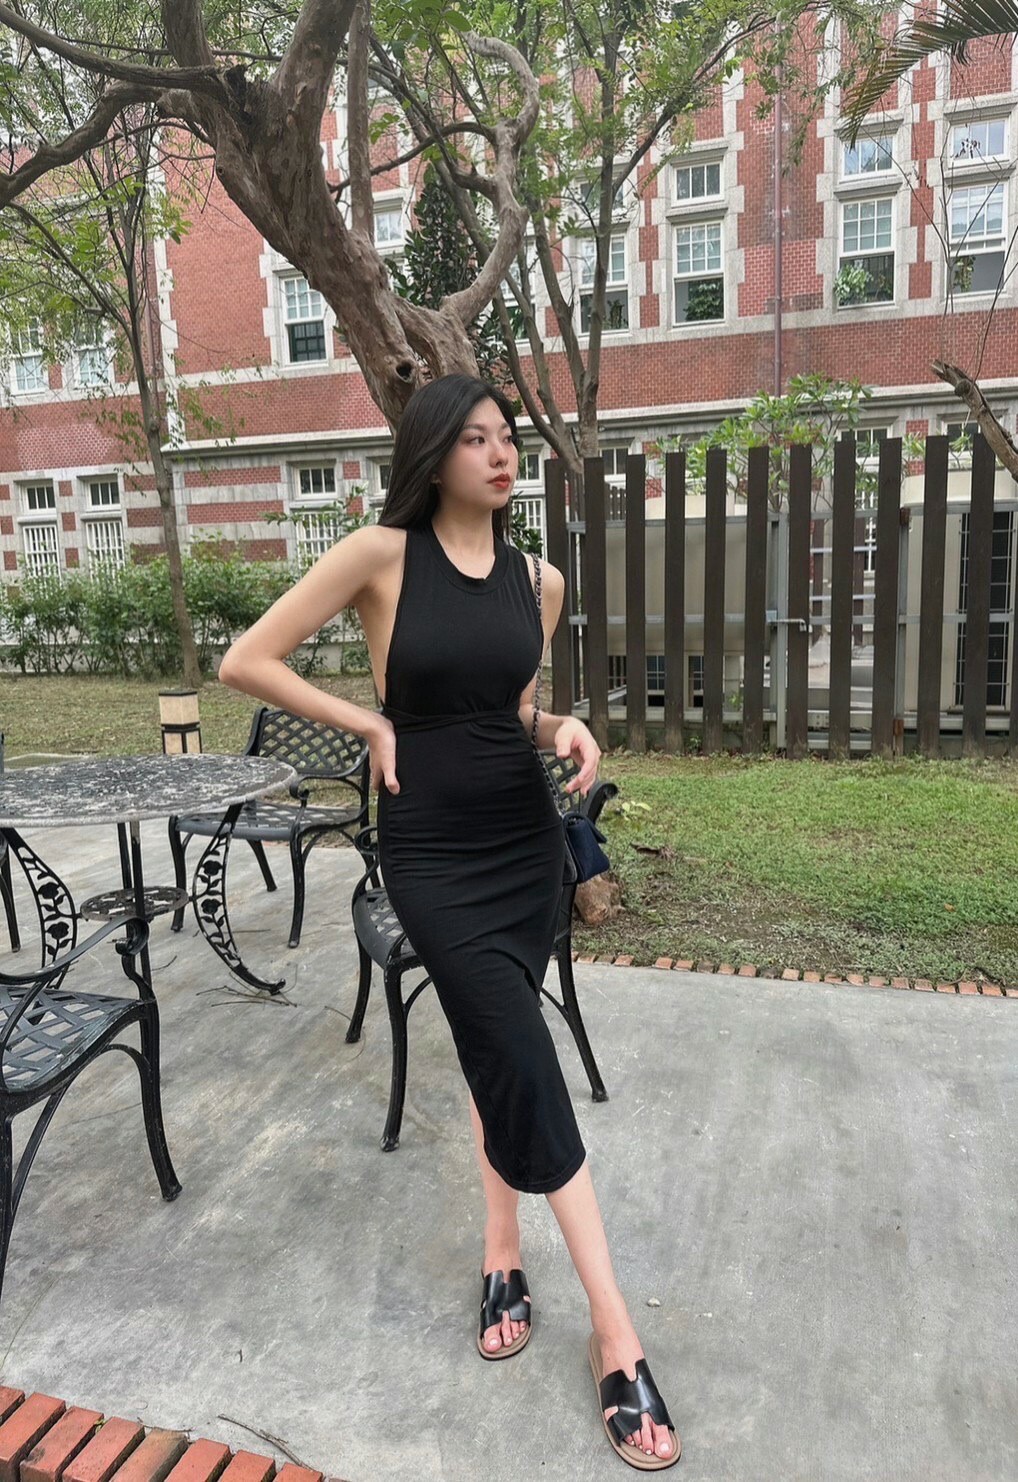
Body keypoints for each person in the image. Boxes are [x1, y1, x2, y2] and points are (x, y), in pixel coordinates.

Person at [218, 373, 680, 1469]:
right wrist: (368, 723)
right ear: (432, 456)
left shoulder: (537, 579)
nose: (501, 454)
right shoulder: (380, 556)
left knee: (493, 1048)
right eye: (475, 439)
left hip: (521, 846)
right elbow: (247, 660)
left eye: (506, 437)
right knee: (523, 1056)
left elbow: (506, 707)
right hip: (430, 853)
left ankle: (500, 1251)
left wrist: (563, 726)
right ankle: (616, 1334)